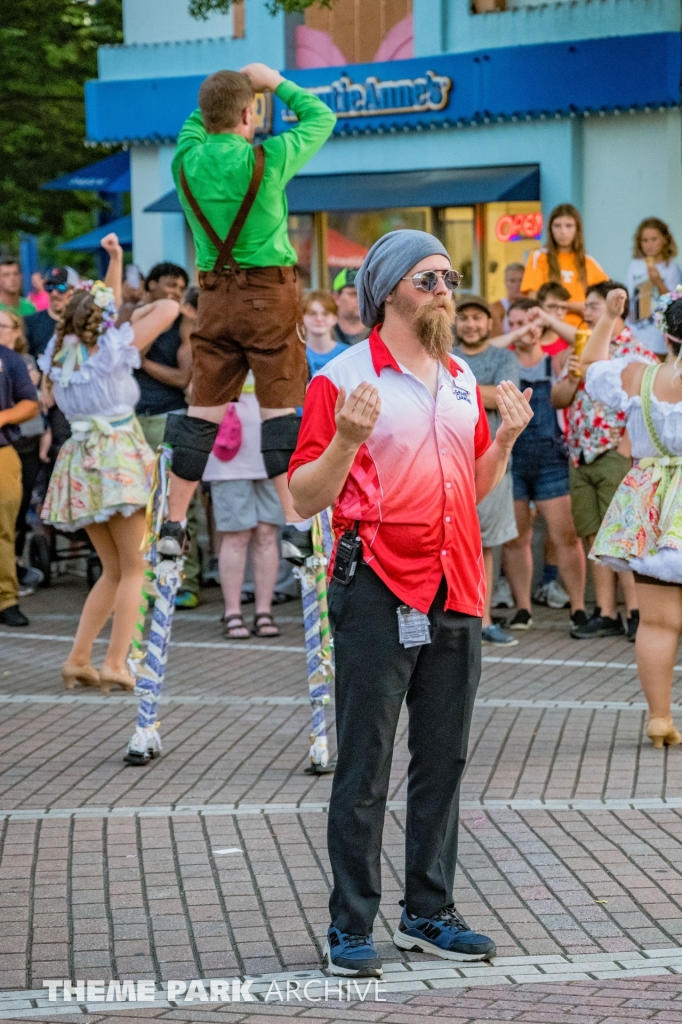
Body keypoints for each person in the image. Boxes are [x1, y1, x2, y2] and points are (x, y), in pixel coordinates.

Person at [289, 229, 533, 977]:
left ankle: (429, 911)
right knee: (365, 762)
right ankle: (350, 926)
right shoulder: (343, 377)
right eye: (429, 278)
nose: (444, 289)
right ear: (389, 290)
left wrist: (506, 444)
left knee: (444, 759)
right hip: (375, 585)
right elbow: (303, 496)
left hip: (457, 586)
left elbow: (470, 484)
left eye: (449, 277)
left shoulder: (462, 378)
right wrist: (345, 442)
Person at [158, 63, 335, 568]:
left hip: (212, 293)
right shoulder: (270, 158)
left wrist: (228, 90)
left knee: (203, 412)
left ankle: (174, 523)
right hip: (267, 294)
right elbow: (321, 117)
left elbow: (202, 120)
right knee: (277, 409)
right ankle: (295, 526)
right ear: (248, 113)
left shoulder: (185, 160)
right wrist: (274, 82)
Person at [38, 234, 180, 693]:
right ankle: (118, 661)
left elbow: (107, 300)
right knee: (137, 565)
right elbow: (169, 310)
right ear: (102, 318)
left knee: (114, 568)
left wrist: (116, 263)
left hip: (81, 459)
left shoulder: (61, 356)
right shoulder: (113, 352)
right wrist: (132, 307)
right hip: (115, 453)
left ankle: (80, 657)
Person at [581, 286, 682, 747]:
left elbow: (590, 369)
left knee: (659, 621)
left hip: (654, 505)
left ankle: (659, 717)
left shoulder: (637, 375)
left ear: (667, 334)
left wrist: (609, 318)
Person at [551, 280, 656, 640]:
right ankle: (607, 612)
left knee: (624, 535)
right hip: (580, 453)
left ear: (616, 307)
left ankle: (637, 611)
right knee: (594, 537)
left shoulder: (635, 352)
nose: (586, 313)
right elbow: (558, 399)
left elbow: (649, 404)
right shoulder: (582, 347)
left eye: (593, 307)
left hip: (614, 454)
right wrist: (575, 377)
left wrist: (626, 448)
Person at [501, 300, 586, 632]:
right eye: (515, 322)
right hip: (513, 457)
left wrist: (547, 319)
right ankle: (523, 608)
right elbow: (476, 348)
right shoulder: (502, 361)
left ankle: (578, 606)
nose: (523, 329)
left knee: (565, 535)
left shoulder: (557, 361)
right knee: (516, 539)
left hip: (552, 456)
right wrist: (519, 330)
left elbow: (582, 337)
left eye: (529, 322)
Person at [453, 294, 520, 647]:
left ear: (489, 323)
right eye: (464, 318)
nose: (471, 324)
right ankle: (452, 618)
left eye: (478, 318)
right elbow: (489, 395)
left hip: (491, 464)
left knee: (486, 544)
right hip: (447, 465)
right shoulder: (442, 355)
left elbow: (505, 398)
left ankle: (483, 619)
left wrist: (457, 388)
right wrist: (482, 392)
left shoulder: (503, 357)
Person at [133, 265, 201, 609]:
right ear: (151, 285)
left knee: (177, 500)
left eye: (181, 287)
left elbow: (181, 377)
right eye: (169, 285)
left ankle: (185, 577)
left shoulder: (184, 326)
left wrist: (141, 361)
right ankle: (140, 578)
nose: (175, 292)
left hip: (169, 417)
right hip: (131, 421)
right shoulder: (131, 319)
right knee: (139, 504)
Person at [203, 372, 284, 638]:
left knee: (266, 533)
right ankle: (232, 612)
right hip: (229, 454)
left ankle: (264, 611)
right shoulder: (220, 339)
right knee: (236, 536)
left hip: (272, 448)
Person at [0, 311, 45, 593]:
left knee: (5, 526)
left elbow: (30, 403)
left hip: (4, 449)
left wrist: (3, 417)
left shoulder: (10, 360)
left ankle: (6, 597)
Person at [521, 204, 608, 327]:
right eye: (557, 226)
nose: (563, 231)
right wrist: (577, 306)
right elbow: (533, 299)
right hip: (549, 331)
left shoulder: (589, 262)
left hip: (583, 332)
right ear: (550, 229)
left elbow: (603, 304)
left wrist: (562, 305)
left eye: (569, 226)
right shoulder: (538, 256)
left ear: (577, 229)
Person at [625, 218, 682, 355]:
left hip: (657, 337)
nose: (649, 244)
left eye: (654, 239)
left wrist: (658, 282)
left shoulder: (671, 268)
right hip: (634, 333)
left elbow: (674, 304)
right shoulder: (635, 265)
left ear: (665, 240)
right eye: (644, 240)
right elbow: (628, 296)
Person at [24, 267, 77, 358]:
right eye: (49, 287)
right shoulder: (30, 322)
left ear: (74, 290)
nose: (54, 293)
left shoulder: (83, 322)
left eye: (61, 287)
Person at [303, 291, 349, 375]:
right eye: (312, 313)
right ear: (302, 318)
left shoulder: (348, 354)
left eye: (325, 314)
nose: (319, 318)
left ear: (335, 318)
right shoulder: (295, 354)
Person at [332, 269, 369, 346]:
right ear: (337, 298)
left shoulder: (379, 331)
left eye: (365, 293)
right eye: (353, 294)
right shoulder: (322, 331)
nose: (361, 299)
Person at [489, 262, 524, 337]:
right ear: (505, 283)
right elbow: (495, 341)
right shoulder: (497, 308)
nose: (517, 285)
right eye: (512, 281)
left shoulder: (534, 307)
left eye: (521, 280)